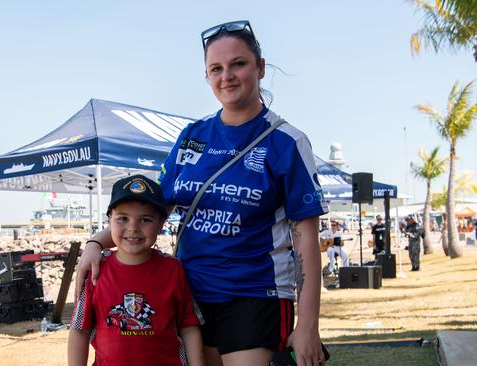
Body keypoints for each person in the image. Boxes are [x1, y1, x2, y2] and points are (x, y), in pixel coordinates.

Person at [74, 20, 327, 366]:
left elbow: (307, 242)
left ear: (261, 68)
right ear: (207, 76)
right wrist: (96, 243)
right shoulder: (192, 136)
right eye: (216, 69)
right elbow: (149, 210)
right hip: (189, 295)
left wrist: (308, 325)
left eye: (239, 64)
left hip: (254, 295)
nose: (228, 76)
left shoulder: (286, 142)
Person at [68, 175, 204, 366]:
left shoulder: (173, 269)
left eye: (145, 220)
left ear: (161, 224)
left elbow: (188, 326)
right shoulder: (95, 270)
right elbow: (79, 330)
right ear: (109, 220)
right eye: (123, 218)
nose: (133, 228)